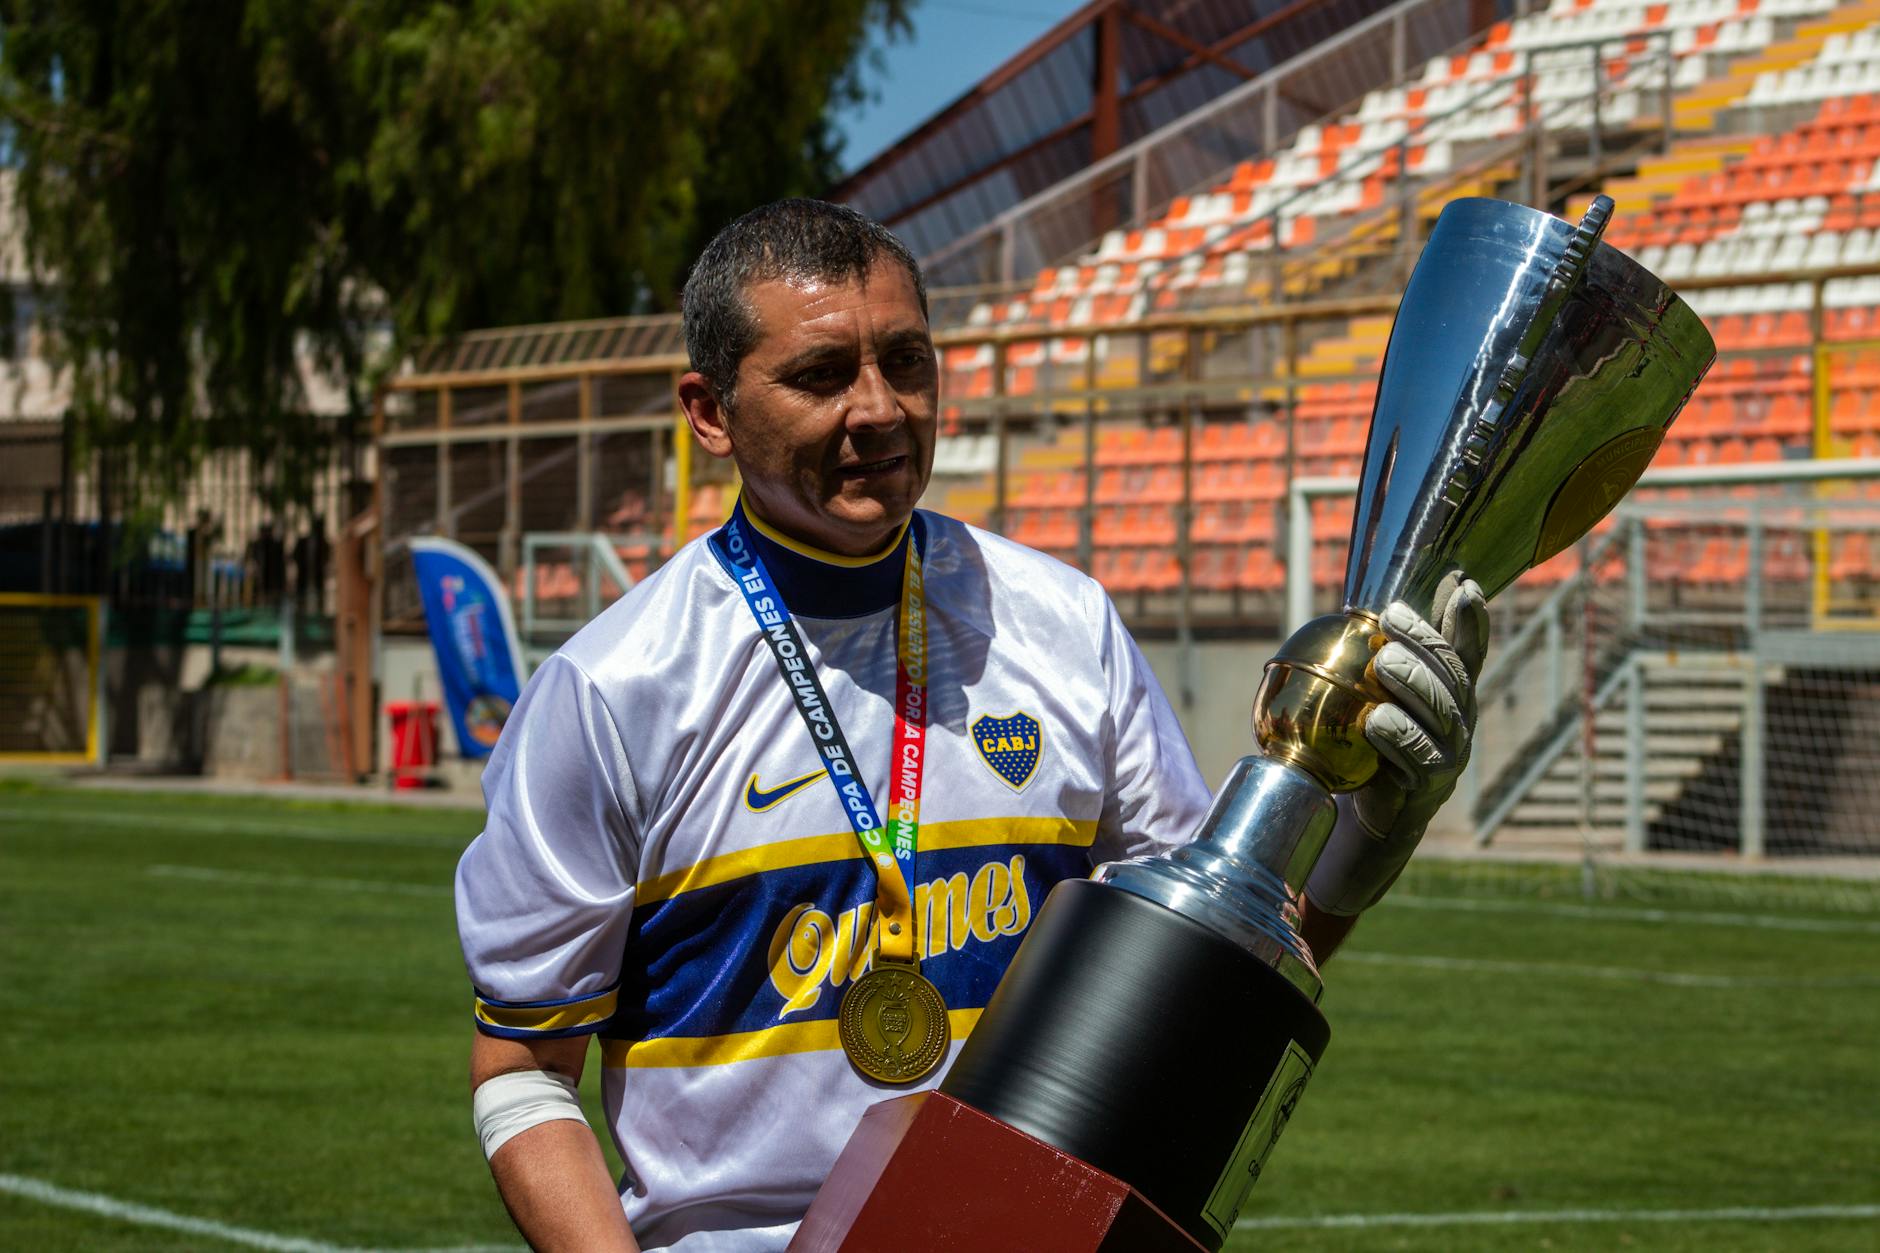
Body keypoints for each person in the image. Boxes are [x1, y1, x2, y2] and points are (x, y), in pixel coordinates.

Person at [453, 199, 1488, 1252]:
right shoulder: (612, 688)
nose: (879, 408)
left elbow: (1209, 975)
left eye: (905, 360)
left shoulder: (1065, 625)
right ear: (709, 411)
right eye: (821, 375)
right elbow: (525, 1073)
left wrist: (1363, 845)